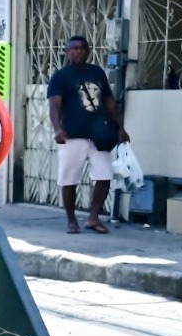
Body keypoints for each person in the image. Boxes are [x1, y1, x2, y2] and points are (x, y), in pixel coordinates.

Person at [47, 35, 128, 235]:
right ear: (67, 52)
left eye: (82, 48)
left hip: (99, 135)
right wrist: (58, 129)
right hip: (72, 135)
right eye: (74, 48)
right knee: (69, 180)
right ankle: (71, 220)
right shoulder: (61, 76)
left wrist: (120, 127)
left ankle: (93, 218)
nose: (78, 51)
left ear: (88, 50)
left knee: (104, 177)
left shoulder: (97, 72)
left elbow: (109, 101)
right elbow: (54, 106)